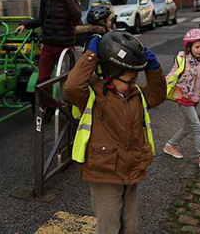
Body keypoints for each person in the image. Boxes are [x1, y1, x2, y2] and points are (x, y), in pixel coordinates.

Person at [64, 32, 166, 234]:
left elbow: (157, 95)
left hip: (132, 168)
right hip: (105, 172)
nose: (134, 84)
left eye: (136, 78)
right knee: (109, 227)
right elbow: (72, 86)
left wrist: (154, 71)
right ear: (110, 76)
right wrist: (91, 56)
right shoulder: (93, 96)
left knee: (128, 226)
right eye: (129, 80)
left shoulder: (136, 94)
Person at [16, 0, 82, 122]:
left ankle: (69, 107)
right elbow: (41, 20)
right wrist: (25, 25)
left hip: (65, 45)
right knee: (42, 79)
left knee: (66, 80)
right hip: (49, 44)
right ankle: (50, 106)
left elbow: (77, 17)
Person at [163, 28, 200, 169]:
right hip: (184, 97)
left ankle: (170, 145)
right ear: (189, 47)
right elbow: (172, 74)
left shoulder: (199, 61)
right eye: (197, 47)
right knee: (197, 127)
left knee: (188, 126)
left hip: (194, 97)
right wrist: (161, 85)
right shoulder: (182, 60)